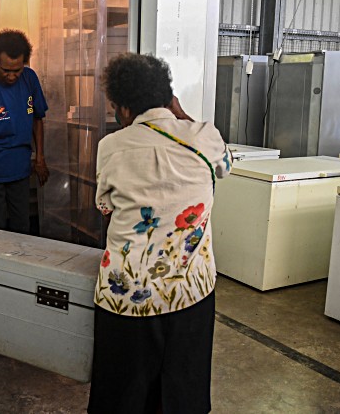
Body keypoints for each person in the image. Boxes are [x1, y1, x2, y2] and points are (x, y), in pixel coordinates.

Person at [88, 53, 232, 414]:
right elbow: (225, 165)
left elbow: (105, 207)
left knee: (123, 395)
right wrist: (184, 119)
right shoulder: (205, 136)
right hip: (190, 292)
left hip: (127, 295)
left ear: (122, 108)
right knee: (184, 390)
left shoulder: (112, 148)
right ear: (170, 98)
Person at [0, 29, 49, 234]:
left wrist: (40, 157)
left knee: (22, 227)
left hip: (20, 168)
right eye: (6, 70)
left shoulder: (30, 78)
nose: (12, 76)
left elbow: (37, 119)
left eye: (17, 70)